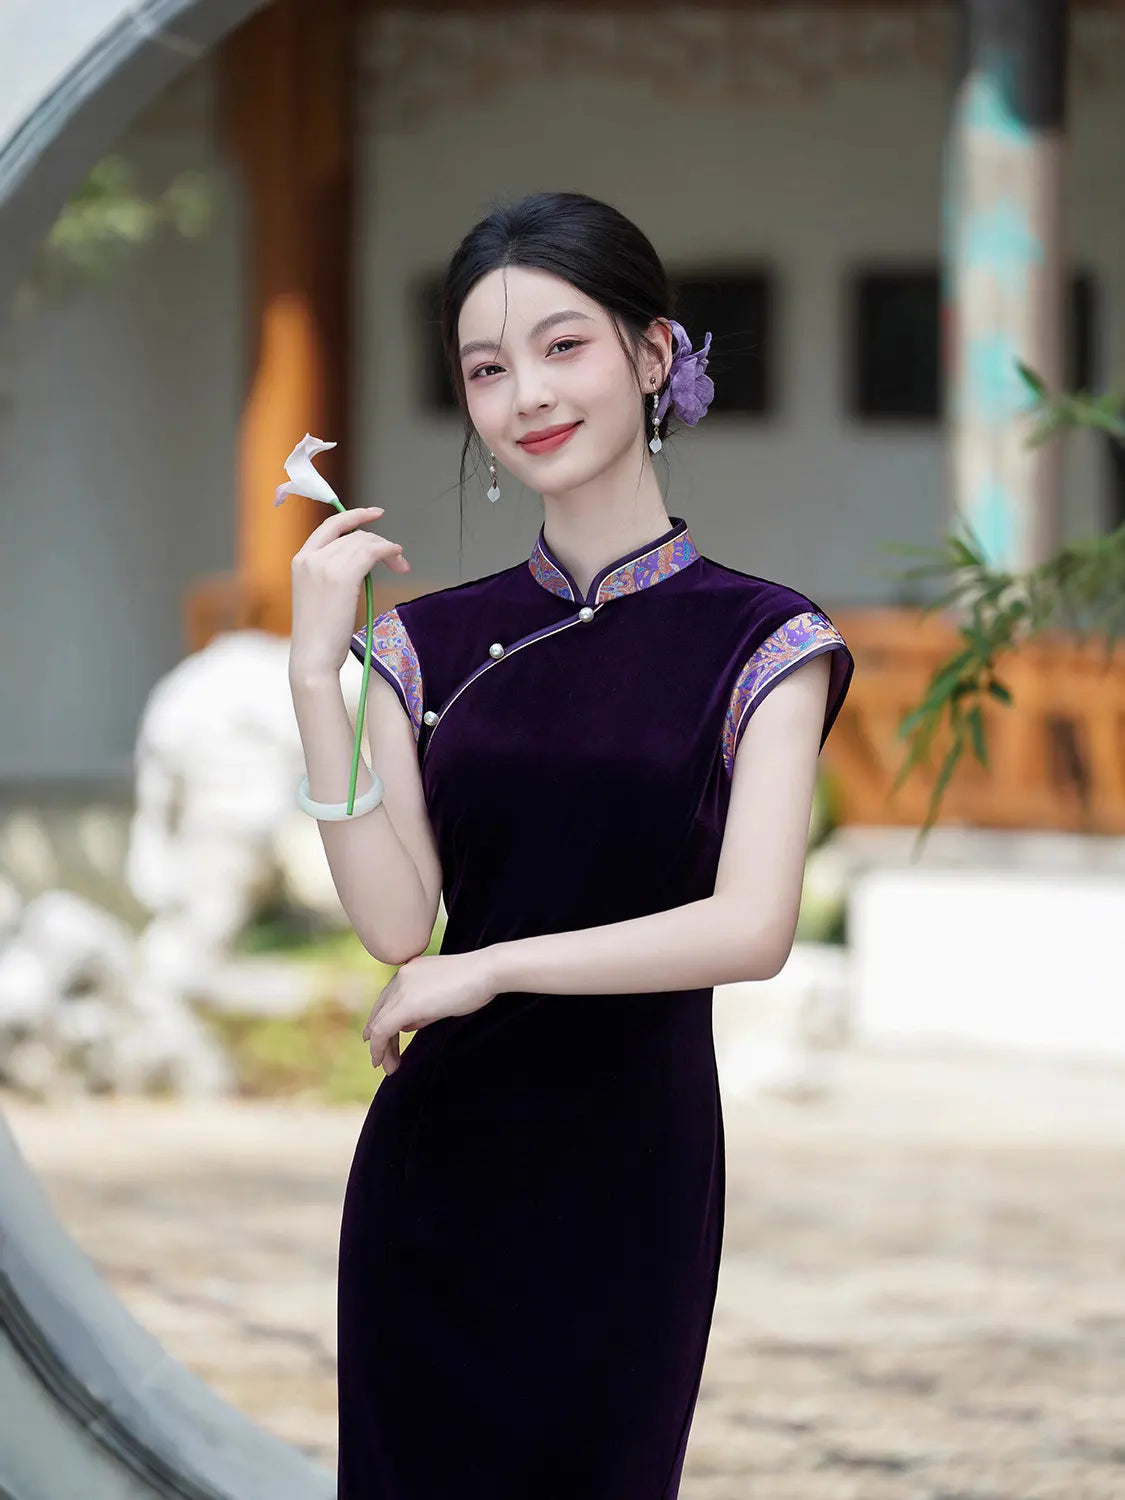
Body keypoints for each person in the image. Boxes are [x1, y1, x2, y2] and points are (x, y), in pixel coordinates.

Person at [286, 190, 854, 1499]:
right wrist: (319, 679)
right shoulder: (419, 641)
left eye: (562, 346)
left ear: (653, 358)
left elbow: (748, 927)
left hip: (630, 1178)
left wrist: (485, 970)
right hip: (434, 1182)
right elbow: (391, 922)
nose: (525, 393)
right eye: (487, 368)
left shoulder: (764, 641)